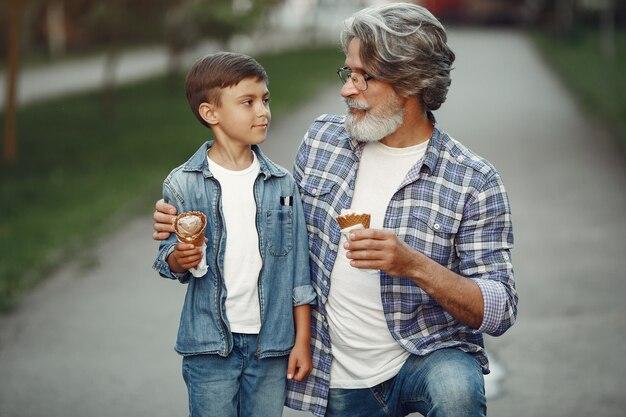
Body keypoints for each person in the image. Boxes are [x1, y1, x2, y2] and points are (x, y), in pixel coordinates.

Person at [153, 3, 517, 416]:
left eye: (363, 77)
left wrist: (414, 264)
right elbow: (270, 219)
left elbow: (500, 308)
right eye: (348, 73)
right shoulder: (324, 140)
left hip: (428, 352)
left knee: (457, 391)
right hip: (343, 374)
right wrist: (185, 211)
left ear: (410, 82)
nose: (347, 88)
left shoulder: (472, 179)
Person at [152, 52, 316, 417]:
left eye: (265, 100)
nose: (263, 111)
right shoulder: (183, 184)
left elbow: (298, 270)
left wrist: (301, 339)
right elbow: (168, 258)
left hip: (270, 346)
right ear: (211, 113)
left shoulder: (282, 184)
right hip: (210, 346)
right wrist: (182, 257)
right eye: (248, 102)